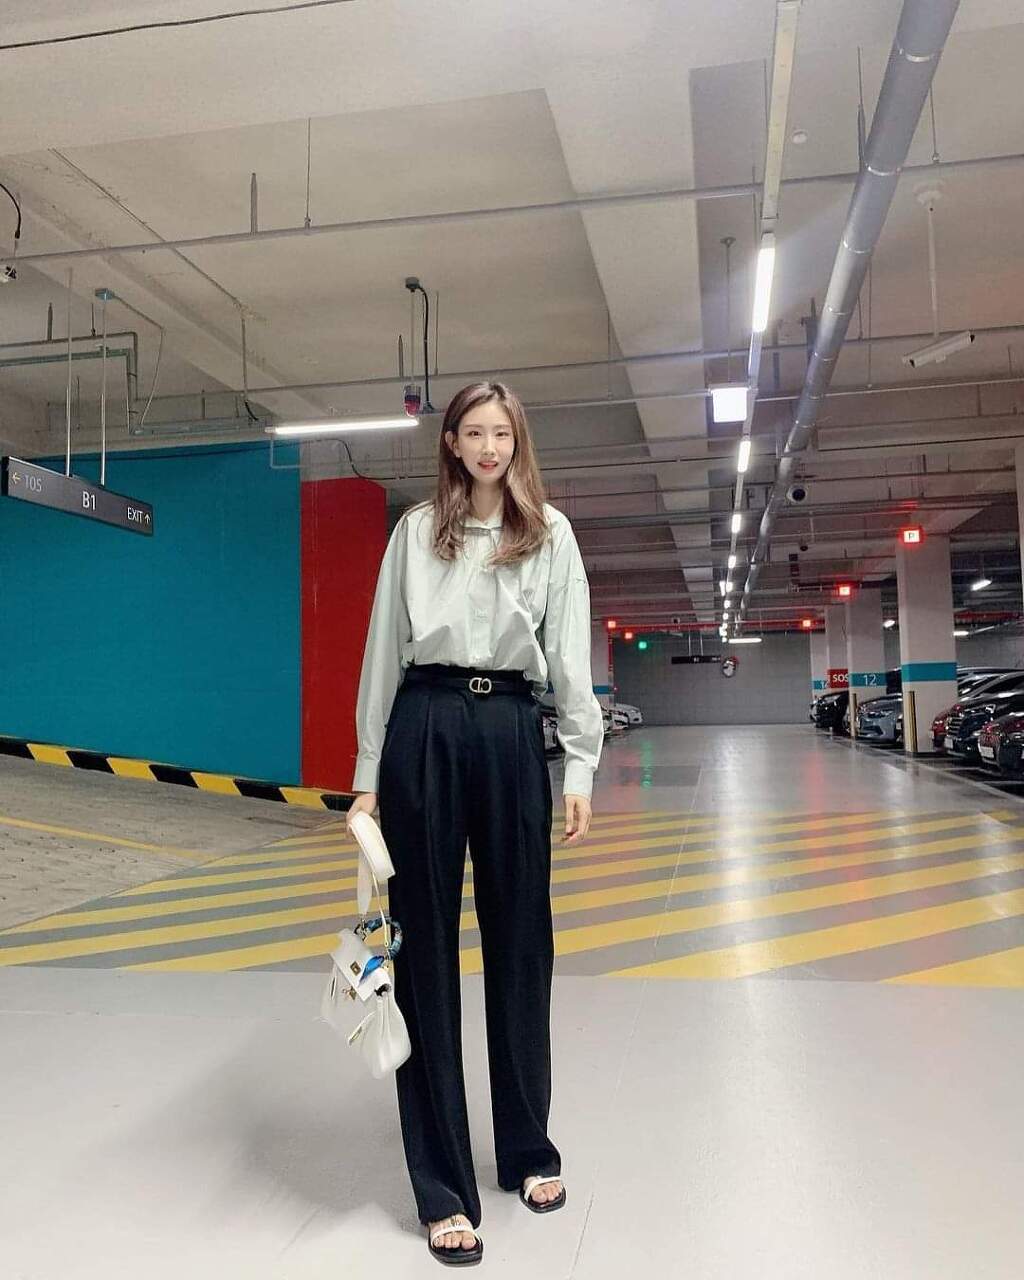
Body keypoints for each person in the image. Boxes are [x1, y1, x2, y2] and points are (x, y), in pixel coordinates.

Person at [346, 380, 604, 1266]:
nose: (490, 447)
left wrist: (581, 763)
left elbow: (570, 654)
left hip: (510, 731)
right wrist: (367, 774)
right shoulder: (416, 532)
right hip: (424, 723)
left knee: (523, 943)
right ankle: (443, 1187)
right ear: (451, 442)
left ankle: (527, 1149)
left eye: (503, 433)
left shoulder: (551, 534)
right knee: (421, 954)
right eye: (474, 432)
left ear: (517, 443)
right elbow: (382, 652)